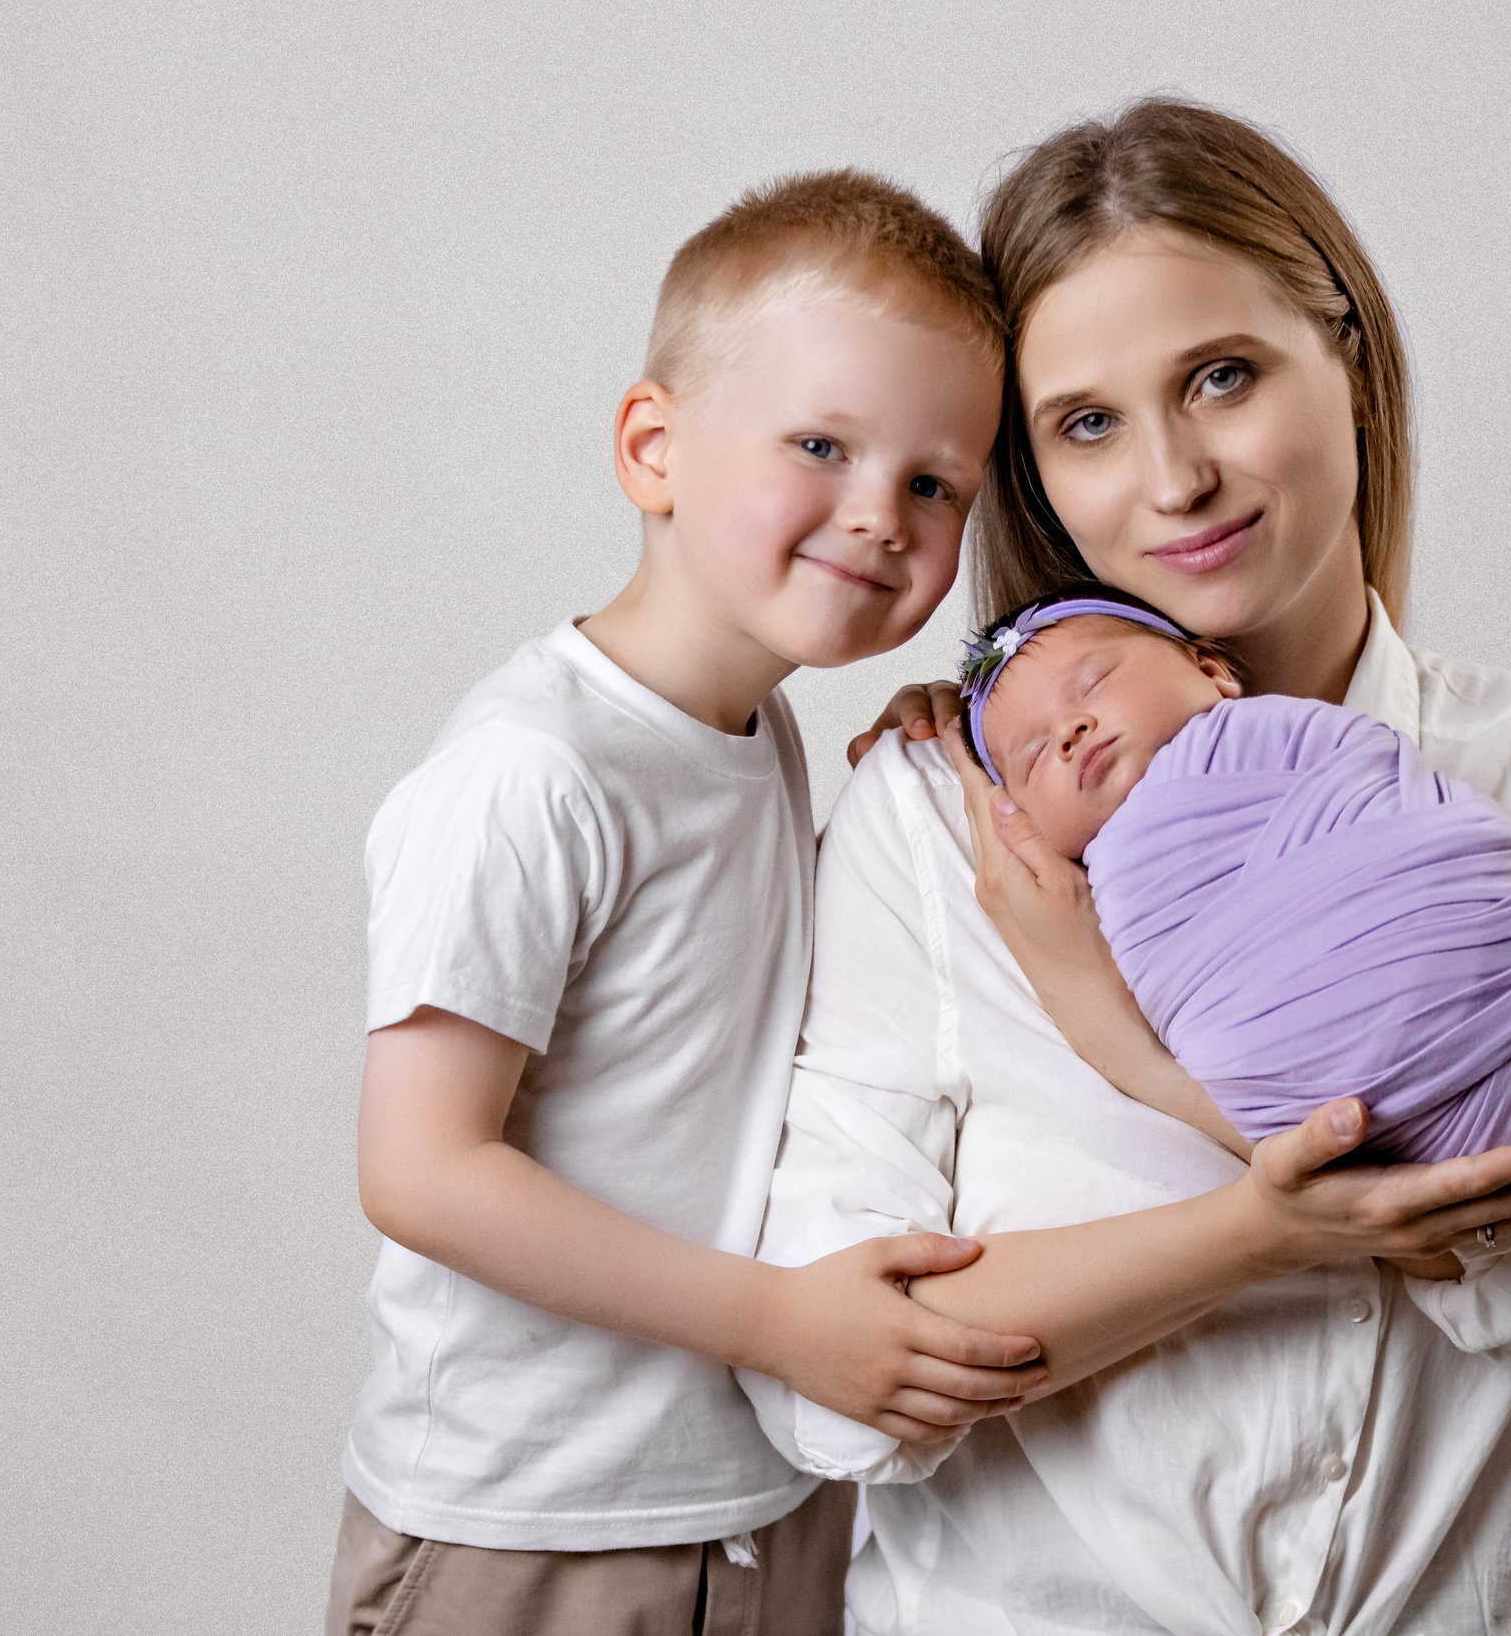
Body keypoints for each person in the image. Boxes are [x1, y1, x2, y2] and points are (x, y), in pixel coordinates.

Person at [742, 99, 1511, 1634]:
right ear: (1032, 476)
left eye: (1221, 376)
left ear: (1353, 363)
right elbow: (849, 1393)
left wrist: (1133, 1047)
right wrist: (1255, 1228)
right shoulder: (940, 819)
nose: (1177, 476)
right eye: (1086, 423)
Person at [323, 170, 1053, 1636]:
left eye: (933, 484)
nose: (878, 514)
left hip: (758, 1500)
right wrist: (783, 1323)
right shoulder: (533, 771)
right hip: (528, 1523)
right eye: (820, 445)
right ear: (653, 449)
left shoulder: (759, 730)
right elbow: (423, 1169)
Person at [958, 585, 1511, 1172]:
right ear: (1022, 822)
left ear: (1212, 671)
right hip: (1374, 1115)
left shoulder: (1277, 737)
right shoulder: (1104, 898)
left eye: (1095, 681)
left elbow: (1386, 791)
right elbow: (1187, 994)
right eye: (1035, 754)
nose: (1071, 732)